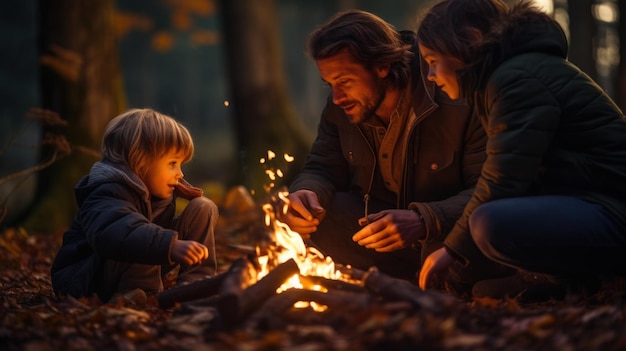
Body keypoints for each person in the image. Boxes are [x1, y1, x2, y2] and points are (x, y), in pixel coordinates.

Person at [417, 0, 626, 301]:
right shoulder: (504, 78)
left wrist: (452, 250)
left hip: (612, 207)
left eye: (433, 60)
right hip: (592, 201)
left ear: (471, 40)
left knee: (490, 222)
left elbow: (505, 178)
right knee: (482, 223)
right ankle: (563, 280)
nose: (430, 75)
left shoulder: (515, 79)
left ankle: (578, 281)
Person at [277, 9, 486, 282]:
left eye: (345, 82)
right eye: (329, 84)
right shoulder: (342, 107)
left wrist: (425, 219)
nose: (337, 97)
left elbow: (489, 190)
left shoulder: (453, 96)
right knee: (323, 219)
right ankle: (390, 283)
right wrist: (306, 192)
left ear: (382, 66)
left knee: (482, 238)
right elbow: (323, 166)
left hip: (446, 236)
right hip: (378, 235)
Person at [51, 108, 218, 304]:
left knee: (203, 207)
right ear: (141, 160)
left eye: (181, 164)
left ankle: (196, 284)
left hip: (130, 266)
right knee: (138, 232)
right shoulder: (107, 191)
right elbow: (117, 231)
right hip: (89, 279)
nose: (180, 173)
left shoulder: (155, 192)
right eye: (172, 163)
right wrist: (170, 245)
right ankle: (143, 295)